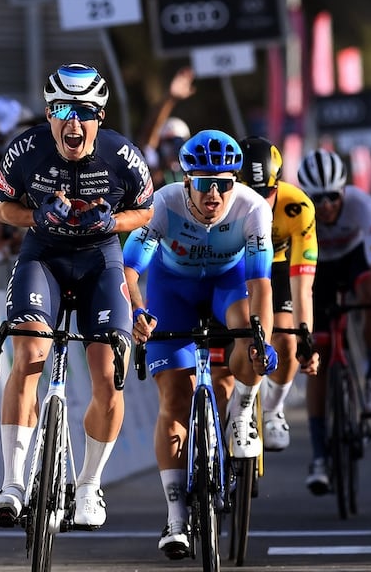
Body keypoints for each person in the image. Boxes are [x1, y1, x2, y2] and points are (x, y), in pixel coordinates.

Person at [0, 63, 154, 530]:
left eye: (84, 111)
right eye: (62, 109)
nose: (73, 122)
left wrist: (110, 224)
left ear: (100, 117)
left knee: (109, 375)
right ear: (48, 112)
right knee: (29, 353)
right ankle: (13, 483)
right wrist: (36, 217)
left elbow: (144, 211)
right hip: (45, 258)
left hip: (101, 261)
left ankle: (88, 485)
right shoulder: (27, 149)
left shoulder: (123, 156)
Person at [122, 129, 277, 559]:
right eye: (204, 183)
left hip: (228, 287)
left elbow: (260, 281)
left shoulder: (253, 208)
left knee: (247, 339)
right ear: (185, 179)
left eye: (224, 183)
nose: (214, 193)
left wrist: (260, 336)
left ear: (235, 183)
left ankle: (243, 407)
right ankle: (175, 519)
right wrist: (136, 311)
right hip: (173, 291)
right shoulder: (163, 203)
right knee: (174, 397)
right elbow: (130, 272)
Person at [299, 148, 371, 495]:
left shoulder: (364, 206)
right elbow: (290, 274)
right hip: (317, 266)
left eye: (332, 197)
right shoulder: (298, 210)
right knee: (319, 358)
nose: (325, 205)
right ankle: (319, 456)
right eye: (317, 198)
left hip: (355, 259)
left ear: (344, 191)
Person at [235, 135, 320, 452]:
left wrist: (305, 335)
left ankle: (272, 410)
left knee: (285, 339)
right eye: (251, 193)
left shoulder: (298, 207)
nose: (261, 201)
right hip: (237, 265)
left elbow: (302, 284)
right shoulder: (221, 203)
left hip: (280, 268)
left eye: (268, 193)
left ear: (279, 186)